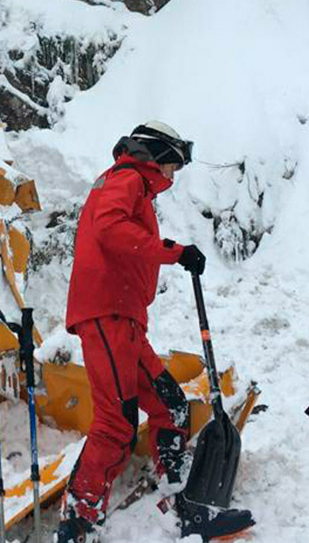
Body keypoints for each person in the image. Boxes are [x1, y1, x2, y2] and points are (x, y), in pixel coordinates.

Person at [57, 121, 254, 542]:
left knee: (171, 406)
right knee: (116, 425)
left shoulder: (133, 187)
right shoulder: (126, 179)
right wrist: (174, 252)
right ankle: (77, 523)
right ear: (155, 156)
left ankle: (182, 507)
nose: (172, 176)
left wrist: (171, 253)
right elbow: (110, 230)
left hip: (123, 320)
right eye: (172, 166)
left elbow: (119, 233)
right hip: (106, 314)